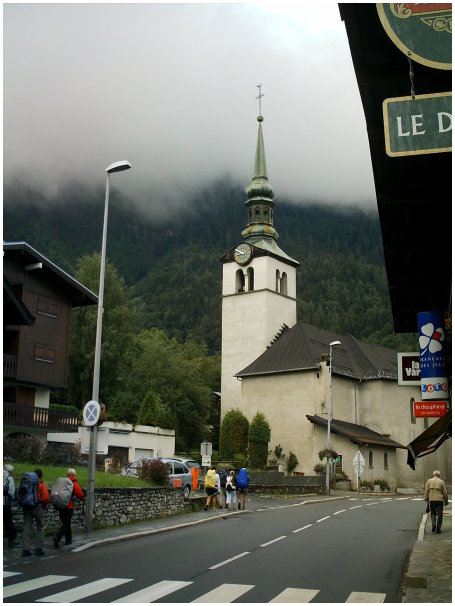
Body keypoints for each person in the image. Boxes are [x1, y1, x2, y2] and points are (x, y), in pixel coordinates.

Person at [21, 468, 50, 557]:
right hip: (37, 507)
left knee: (27, 527)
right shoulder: (41, 484)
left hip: (26, 507)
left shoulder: (27, 482)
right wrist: (44, 506)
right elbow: (46, 498)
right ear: (40, 476)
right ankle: (38, 549)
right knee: (40, 527)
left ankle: (25, 549)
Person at [53, 468, 84, 548]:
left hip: (61, 505)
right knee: (66, 523)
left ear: (67, 474)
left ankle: (68, 540)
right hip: (69, 506)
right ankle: (58, 537)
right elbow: (80, 495)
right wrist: (82, 497)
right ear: (74, 475)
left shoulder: (63, 482)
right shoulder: (73, 483)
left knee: (66, 523)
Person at [425, 469, 449, 534]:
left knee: (433, 513)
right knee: (439, 514)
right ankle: (438, 529)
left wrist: (426, 499)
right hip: (439, 500)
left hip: (432, 499)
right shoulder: (441, 482)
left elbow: (426, 491)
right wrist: (446, 501)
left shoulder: (429, 481)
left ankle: (433, 524)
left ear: (433, 474)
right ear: (439, 475)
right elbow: (445, 493)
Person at [3, 464, 18, 547]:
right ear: (10, 471)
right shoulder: (9, 479)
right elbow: (11, 492)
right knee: (8, 521)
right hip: (6, 503)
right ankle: (11, 540)